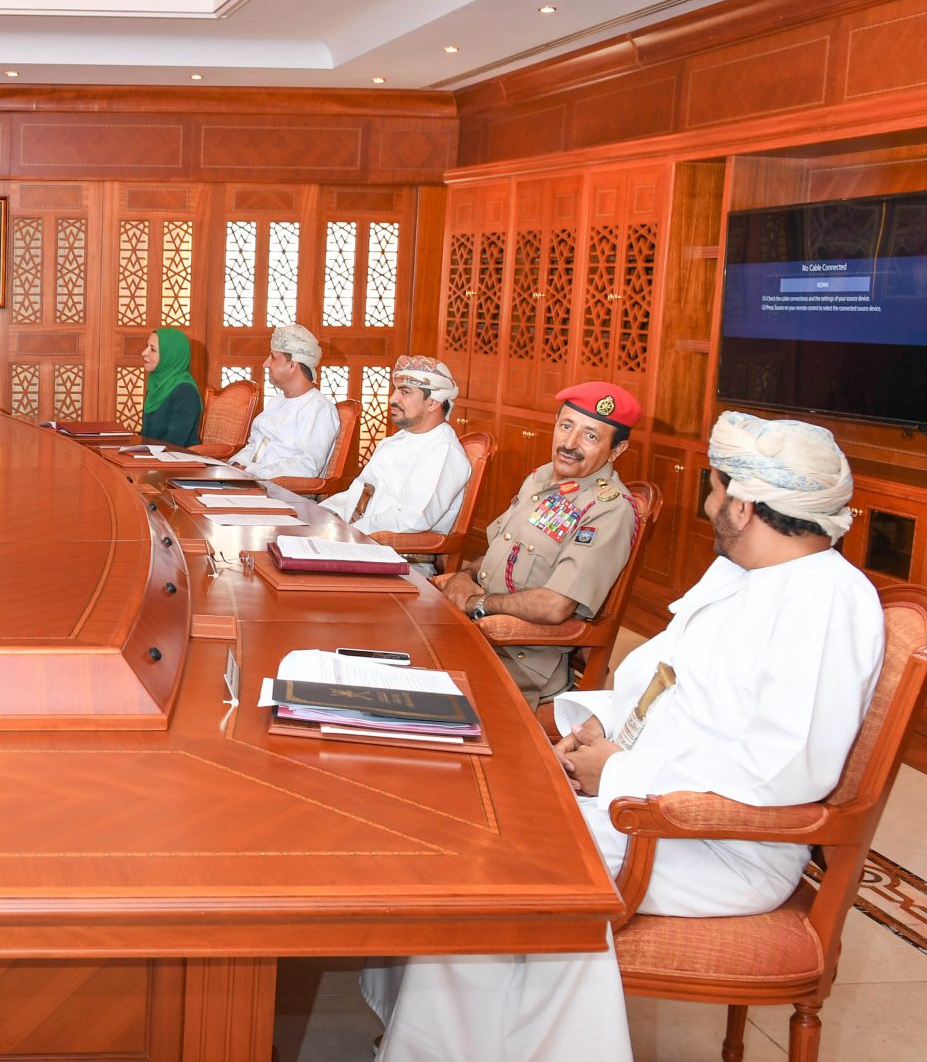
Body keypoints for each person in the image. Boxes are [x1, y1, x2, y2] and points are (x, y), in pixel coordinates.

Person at [366, 411, 882, 1062]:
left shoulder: (825, 601)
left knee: (492, 861)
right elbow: (662, 684)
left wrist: (619, 772)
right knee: (470, 805)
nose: (708, 506)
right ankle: (435, 1036)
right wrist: (594, 729)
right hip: (644, 793)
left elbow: (785, 769)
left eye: (715, 492)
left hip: (720, 842)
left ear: (744, 506)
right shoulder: (741, 574)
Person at [436, 382, 644, 703]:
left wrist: (478, 604)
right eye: (566, 426)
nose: (570, 443)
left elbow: (554, 606)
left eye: (590, 436)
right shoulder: (540, 478)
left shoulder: (608, 509)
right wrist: (465, 576)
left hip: (520, 658)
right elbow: (500, 553)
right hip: (478, 631)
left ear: (617, 450)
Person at [318, 355, 471, 539]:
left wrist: (349, 533)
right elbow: (357, 494)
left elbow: (411, 519)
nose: (392, 398)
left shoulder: (443, 451)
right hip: (357, 536)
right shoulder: (398, 440)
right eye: (395, 390)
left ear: (433, 403)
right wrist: (322, 514)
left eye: (405, 392)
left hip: (389, 549)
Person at [225, 324, 340, 480]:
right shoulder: (276, 401)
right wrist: (236, 465)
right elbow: (255, 446)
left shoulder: (318, 408)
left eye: (272, 357)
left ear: (292, 365)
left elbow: (307, 466)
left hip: (280, 490)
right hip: (251, 482)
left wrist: (252, 473)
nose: (265, 364)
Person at [137, 327, 201, 446]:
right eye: (147, 346)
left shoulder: (186, 391)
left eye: (153, 349)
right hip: (151, 453)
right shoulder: (156, 384)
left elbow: (174, 443)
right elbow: (146, 434)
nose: (144, 353)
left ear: (171, 355)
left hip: (176, 455)